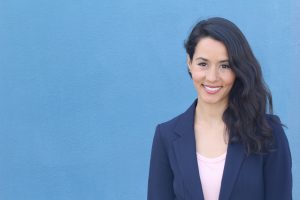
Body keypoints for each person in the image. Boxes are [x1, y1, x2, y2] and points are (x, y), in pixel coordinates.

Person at [147, 17, 292, 200]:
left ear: (238, 70)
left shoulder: (269, 133)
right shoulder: (166, 135)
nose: (212, 77)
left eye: (225, 66)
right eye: (203, 64)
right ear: (189, 63)